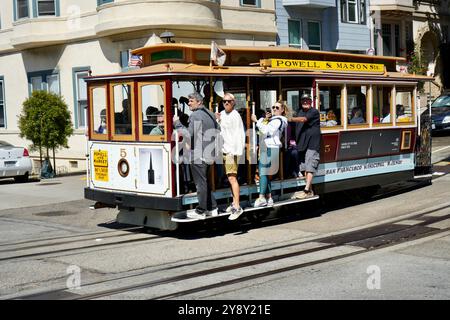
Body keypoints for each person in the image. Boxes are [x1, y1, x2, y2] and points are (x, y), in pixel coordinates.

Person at [173, 92, 218, 219]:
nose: (188, 103)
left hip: (199, 154)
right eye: (188, 101)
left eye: (191, 101)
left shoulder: (195, 115)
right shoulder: (210, 113)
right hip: (210, 153)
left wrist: (177, 123)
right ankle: (212, 208)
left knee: (200, 183)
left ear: (199, 102)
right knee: (204, 182)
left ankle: (201, 210)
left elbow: (188, 134)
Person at [251, 101, 288, 207]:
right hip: (271, 147)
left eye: (277, 107)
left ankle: (262, 197)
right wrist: (266, 119)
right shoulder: (275, 120)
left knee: (263, 172)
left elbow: (266, 131)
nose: (274, 109)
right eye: (273, 107)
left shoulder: (278, 120)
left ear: (282, 110)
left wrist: (256, 121)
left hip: (269, 147)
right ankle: (269, 197)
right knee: (266, 174)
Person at [215, 93, 246, 220]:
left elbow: (240, 135)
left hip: (231, 151)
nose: (226, 103)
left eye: (228, 101)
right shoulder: (222, 113)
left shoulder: (235, 115)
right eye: (224, 101)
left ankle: (237, 207)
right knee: (229, 177)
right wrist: (217, 119)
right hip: (224, 149)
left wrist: (235, 151)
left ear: (233, 102)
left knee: (232, 178)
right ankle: (234, 202)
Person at [289, 93, 321, 199]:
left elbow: (303, 119)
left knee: (310, 167)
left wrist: (290, 118)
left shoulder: (314, 112)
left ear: (311, 102)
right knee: (304, 168)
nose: (305, 102)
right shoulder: (299, 112)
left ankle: (306, 190)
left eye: (307, 100)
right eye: (303, 100)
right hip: (302, 144)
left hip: (312, 144)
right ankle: (309, 190)